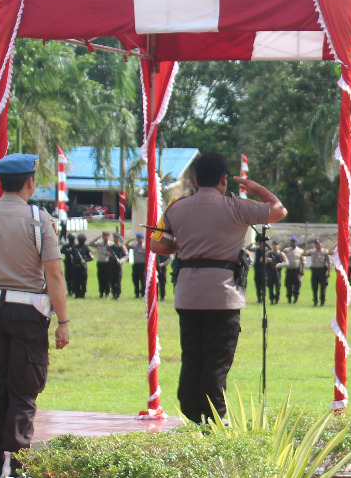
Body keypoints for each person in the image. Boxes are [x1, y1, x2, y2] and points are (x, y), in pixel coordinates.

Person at [147, 152, 286, 424]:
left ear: (196, 179)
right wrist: (255, 188)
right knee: (216, 363)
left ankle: (190, 414)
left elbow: (157, 245)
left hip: (187, 295)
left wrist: (183, 245)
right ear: (224, 179)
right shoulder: (236, 207)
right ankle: (214, 421)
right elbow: (279, 210)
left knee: (192, 358)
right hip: (223, 296)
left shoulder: (176, 207)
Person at [0, 153, 70, 478]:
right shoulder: (40, 221)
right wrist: (63, 320)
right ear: (29, 182)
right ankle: (14, 467)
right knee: (23, 388)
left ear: (0, 183)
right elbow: (53, 274)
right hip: (28, 312)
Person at [280, 237, 304, 305]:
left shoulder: (300, 251)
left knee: (297, 285)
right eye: (291, 242)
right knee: (288, 285)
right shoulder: (287, 250)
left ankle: (295, 300)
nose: (292, 244)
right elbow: (280, 251)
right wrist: (286, 245)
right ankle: (289, 300)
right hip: (289, 270)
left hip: (296, 271)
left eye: (293, 242)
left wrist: (303, 270)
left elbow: (303, 261)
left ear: (296, 243)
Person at [306, 239, 330, 307]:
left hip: (322, 271)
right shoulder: (313, 252)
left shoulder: (325, 252)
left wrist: (329, 272)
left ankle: (322, 301)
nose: (317, 245)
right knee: (314, 287)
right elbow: (303, 254)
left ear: (321, 244)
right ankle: (315, 301)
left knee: (323, 287)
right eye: (316, 244)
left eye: (318, 244)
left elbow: (329, 262)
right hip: (314, 270)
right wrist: (307, 248)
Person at [106, 233, 126, 300]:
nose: (116, 239)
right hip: (111, 265)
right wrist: (109, 255)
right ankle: (113, 293)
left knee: (118, 280)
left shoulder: (121, 247)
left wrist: (121, 260)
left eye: (117, 237)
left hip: (118, 265)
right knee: (112, 280)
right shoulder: (111, 247)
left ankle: (118, 294)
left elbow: (126, 255)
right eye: (115, 237)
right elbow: (107, 253)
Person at [129, 233, 147, 298]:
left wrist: (144, 250)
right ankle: (136, 294)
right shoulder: (135, 246)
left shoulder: (145, 246)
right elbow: (126, 245)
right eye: (138, 238)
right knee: (135, 279)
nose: (139, 240)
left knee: (143, 280)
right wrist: (130, 240)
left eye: (140, 238)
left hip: (142, 265)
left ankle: (143, 294)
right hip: (136, 265)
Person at [94, 232, 111, 298]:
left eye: (107, 236)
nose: (105, 237)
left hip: (107, 263)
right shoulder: (99, 243)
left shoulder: (111, 244)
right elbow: (91, 244)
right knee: (101, 278)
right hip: (100, 263)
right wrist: (97, 238)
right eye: (104, 236)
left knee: (107, 279)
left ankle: (107, 293)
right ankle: (101, 293)